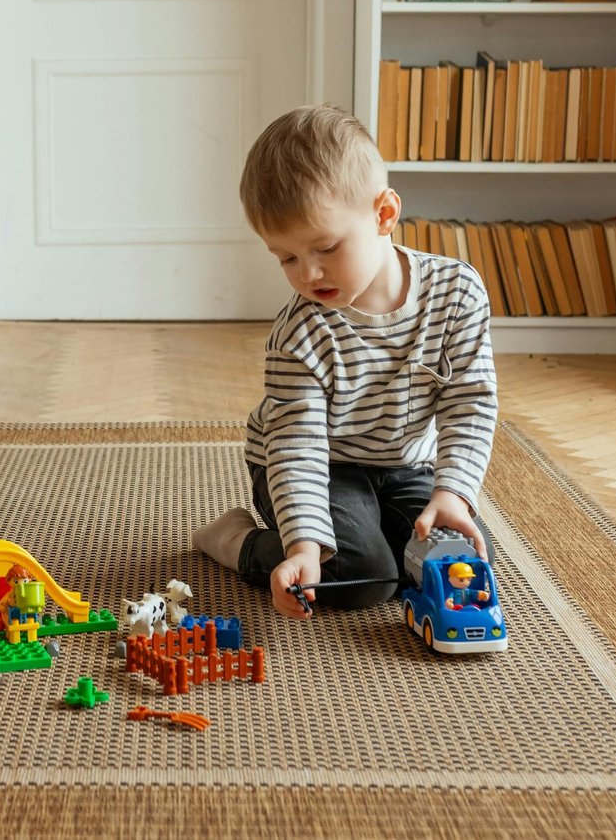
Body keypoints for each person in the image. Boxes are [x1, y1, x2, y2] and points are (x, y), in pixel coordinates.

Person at [191, 105, 498, 620]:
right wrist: (303, 547)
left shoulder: (457, 294)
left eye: (326, 248)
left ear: (384, 214)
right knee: (362, 576)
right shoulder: (299, 333)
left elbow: (470, 403)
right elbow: (297, 446)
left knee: (456, 560)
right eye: (287, 258)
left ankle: (385, 530)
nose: (308, 274)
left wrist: (452, 494)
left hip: (405, 464)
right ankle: (237, 541)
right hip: (316, 465)